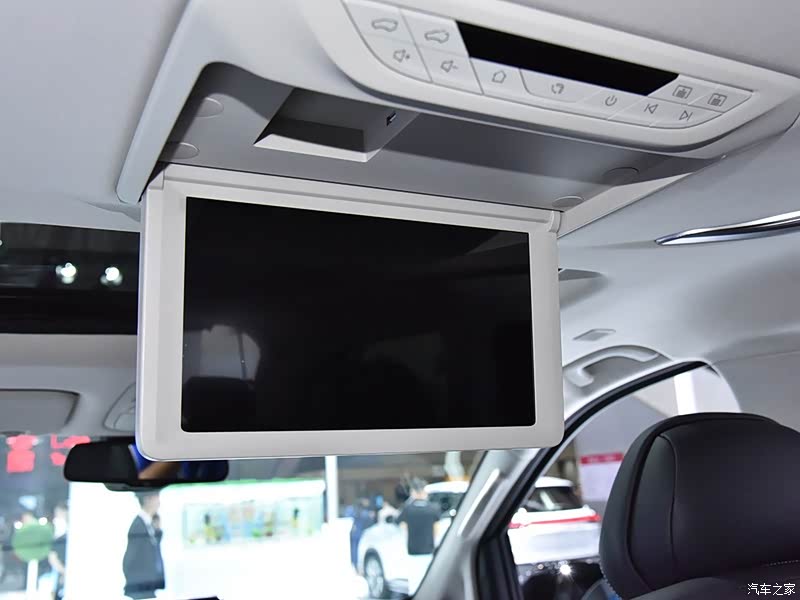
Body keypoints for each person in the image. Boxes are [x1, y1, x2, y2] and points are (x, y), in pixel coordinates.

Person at [397, 479, 441, 594]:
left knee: (414, 580)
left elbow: (402, 526)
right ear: (424, 492)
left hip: (413, 550)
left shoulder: (407, 509)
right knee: (428, 579)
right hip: (428, 549)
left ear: (413, 492)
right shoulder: (433, 508)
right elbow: (436, 530)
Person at [122, 491, 165, 600]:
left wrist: (158, 531)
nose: (159, 502)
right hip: (141, 590)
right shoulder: (138, 525)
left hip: (148, 587)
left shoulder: (148, 524)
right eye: (156, 497)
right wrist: (137, 583)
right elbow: (128, 560)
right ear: (147, 499)